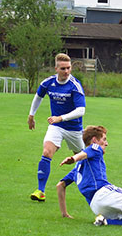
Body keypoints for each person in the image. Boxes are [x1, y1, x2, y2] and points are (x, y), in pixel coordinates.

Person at [27, 53, 86, 202]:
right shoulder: (48, 83)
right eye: (63, 68)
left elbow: (81, 110)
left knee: (84, 160)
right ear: (56, 68)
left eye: (68, 68)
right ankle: (40, 191)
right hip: (56, 126)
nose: (66, 71)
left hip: (74, 129)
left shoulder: (75, 85)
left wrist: (61, 117)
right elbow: (38, 96)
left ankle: (94, 188)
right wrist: (31, 115)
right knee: (47, 152)